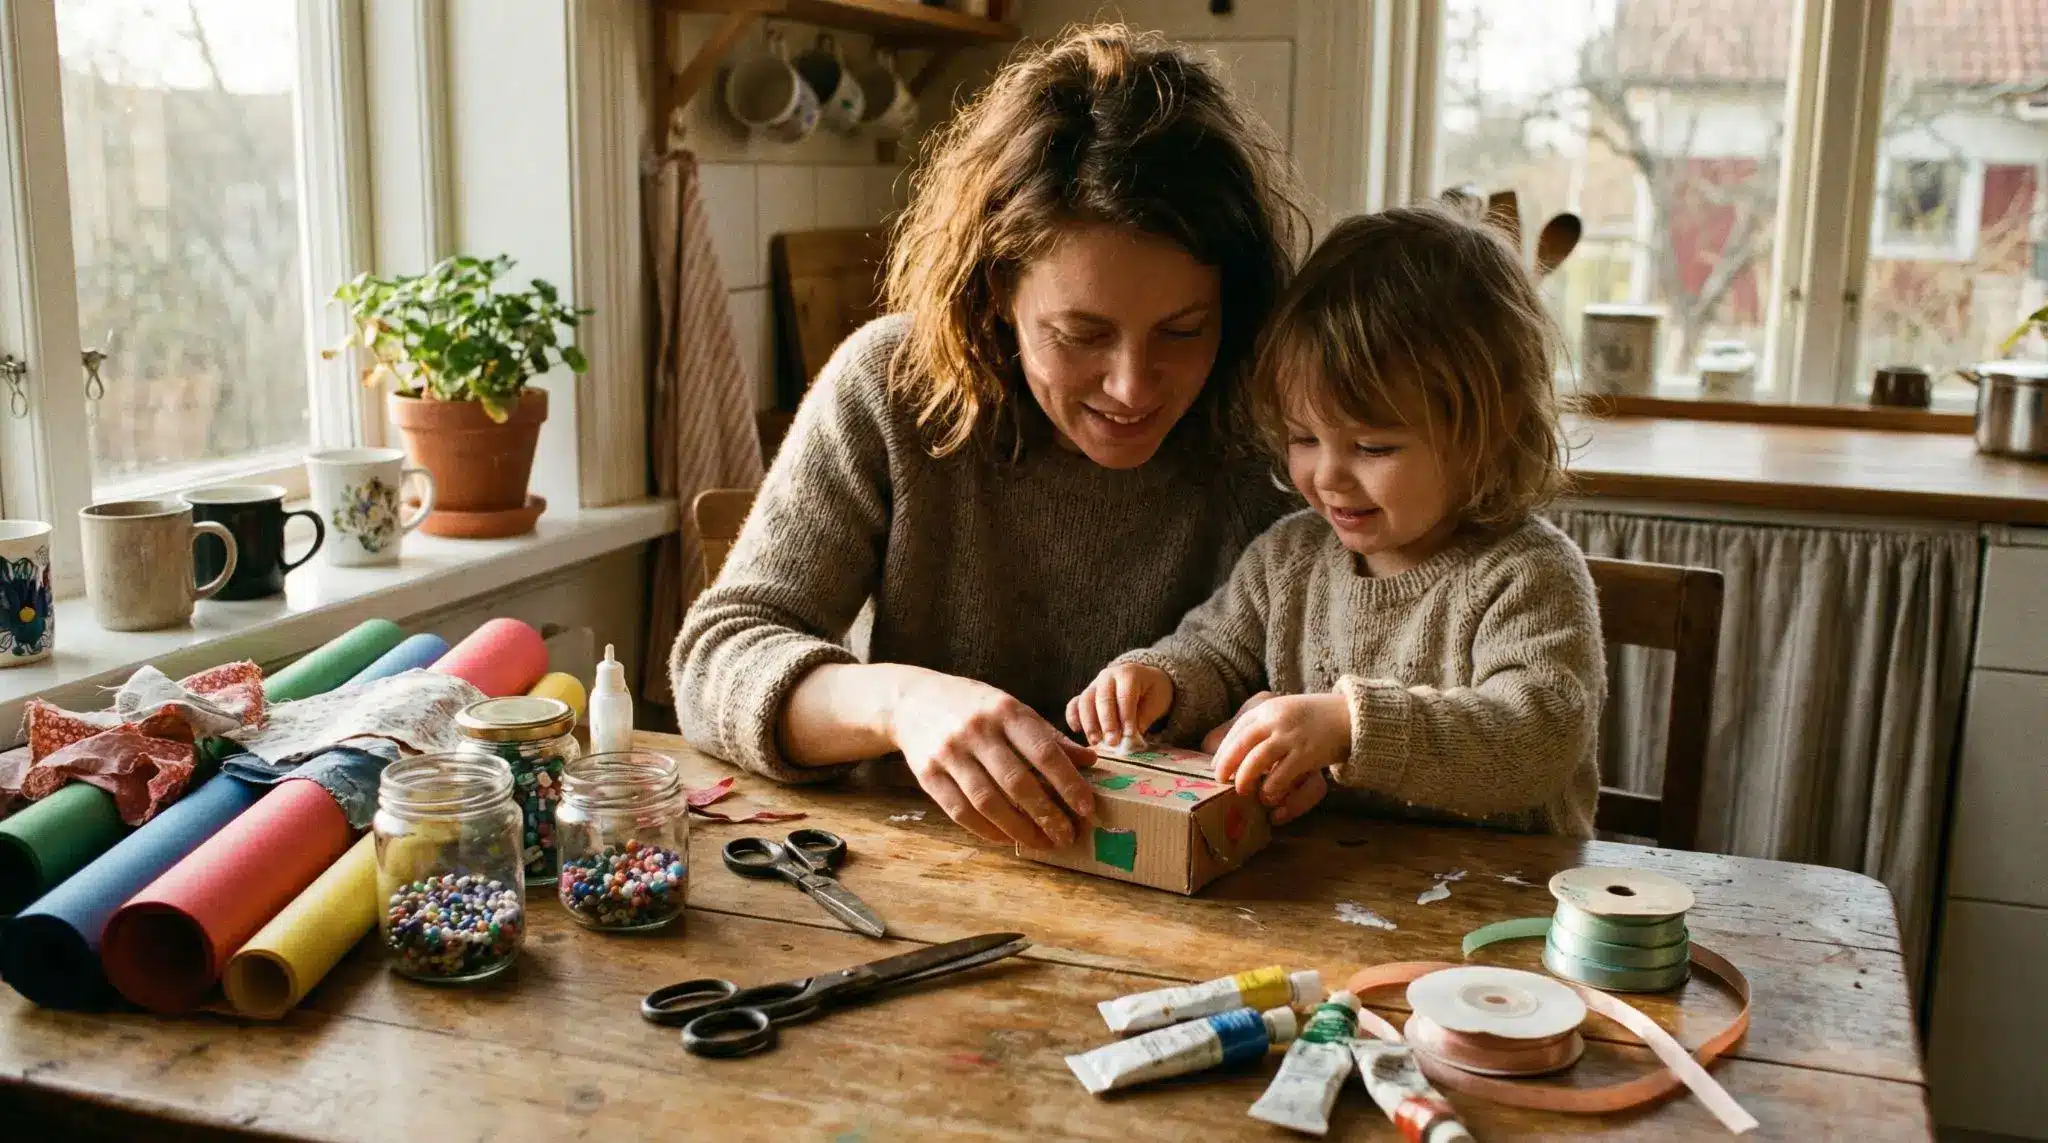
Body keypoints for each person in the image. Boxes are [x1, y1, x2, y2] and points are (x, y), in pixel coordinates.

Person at [672, 26, 1307, 850]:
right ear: (996, 291)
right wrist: (903, 703)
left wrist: (1309, 728)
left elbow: (1396, 666)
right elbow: (716, 659)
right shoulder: (894, 386)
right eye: (1081, 333)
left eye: (1184, 330)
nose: (1132, 386)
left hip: (1224, 895)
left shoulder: (1281, 416)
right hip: (929, 879)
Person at [1068, 204, 1605, 837]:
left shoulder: (1527, 574)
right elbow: (1212, 655)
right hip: (1335, 894)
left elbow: (1535, 737)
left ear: (1489, 434)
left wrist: (1350, 726)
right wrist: (1157, 683)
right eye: (1303, 438)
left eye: (1373, 448)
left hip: (1501, 902)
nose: (1327, 477)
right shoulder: (1288, 558)